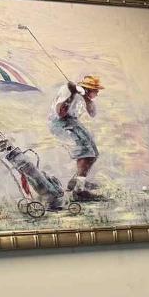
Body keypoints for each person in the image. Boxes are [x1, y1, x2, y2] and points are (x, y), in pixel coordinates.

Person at [49, 72, 104, 201]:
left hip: (73, 121)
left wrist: (85, 97)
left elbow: (92, 113)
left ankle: (76, 182)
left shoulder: (83, 95)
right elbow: (60, 113)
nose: (97, 93)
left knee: (94, 153)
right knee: (86, 153)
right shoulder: (67, 90)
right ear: (88, 89)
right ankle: (79, 191)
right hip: (60, 123)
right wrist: (73, 93)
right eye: (95, 90)